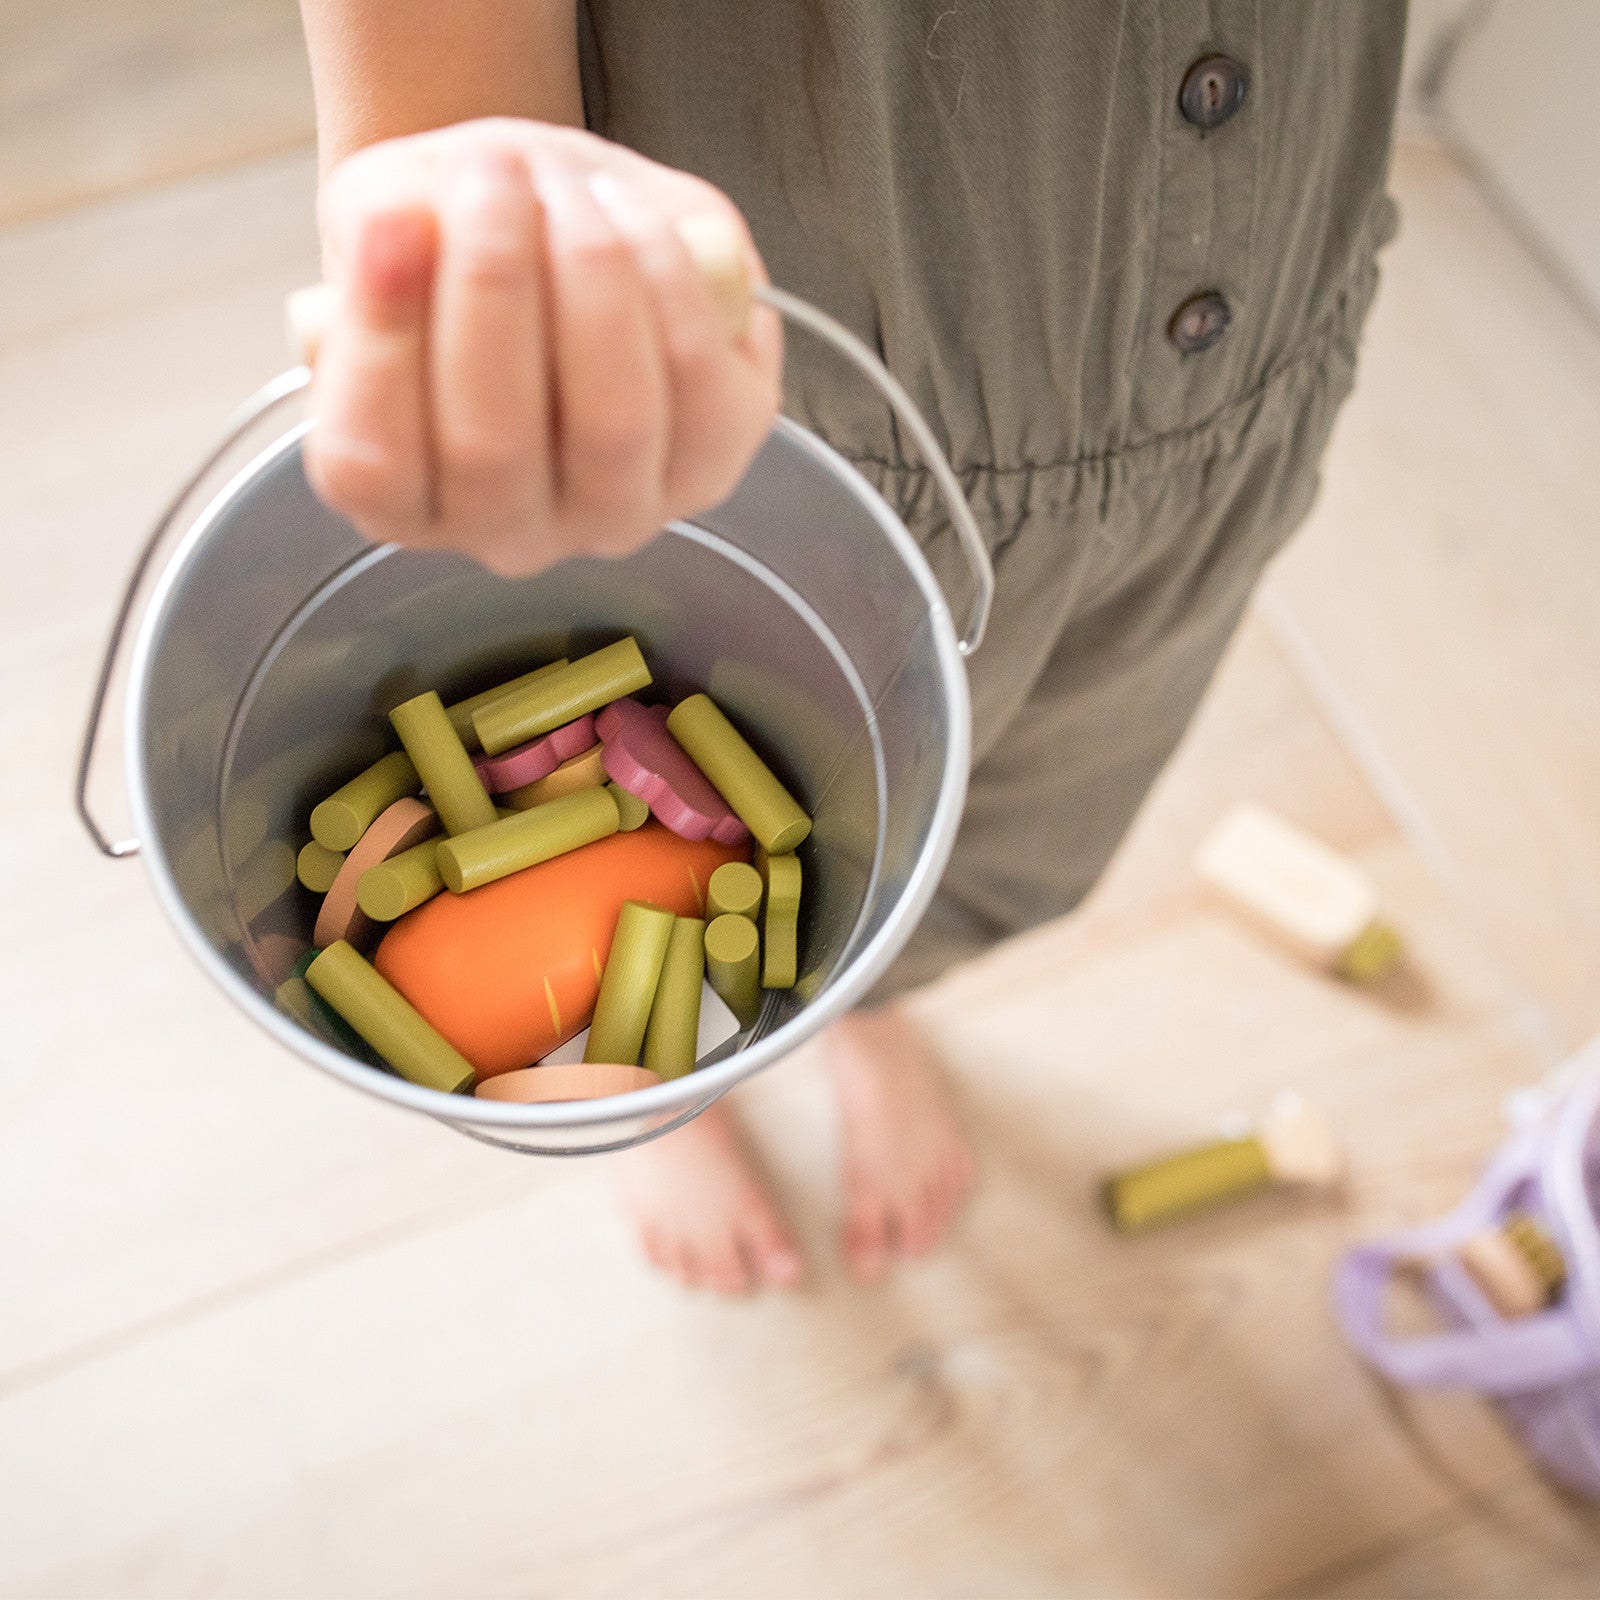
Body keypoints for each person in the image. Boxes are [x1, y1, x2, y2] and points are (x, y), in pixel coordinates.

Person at [297, 1, 1407, 1292]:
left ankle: (863, 1005)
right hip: (797, 383)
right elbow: (452, 170)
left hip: (1242, 338)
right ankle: (660, 1079)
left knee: (1022, 806)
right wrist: (457, 140)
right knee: (787, 792)